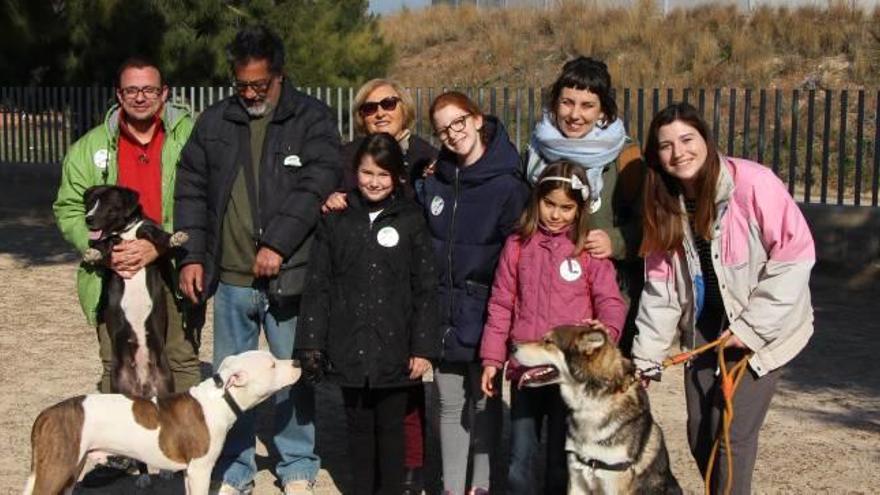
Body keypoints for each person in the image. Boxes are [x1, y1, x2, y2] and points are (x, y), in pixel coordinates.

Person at [174, 26, 341, 495]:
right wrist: (191, 255)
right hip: (229, 278)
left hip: (290, 274)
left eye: (258, 85)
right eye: (241, 84)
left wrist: (279, 245)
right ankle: (236, 469)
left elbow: (319, 180)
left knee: (290, 374)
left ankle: (297, 466)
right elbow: (191, 189)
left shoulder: (312, 118)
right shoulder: (214, 123)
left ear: (279, 76)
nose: (249, 93)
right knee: (232, 379)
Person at [632, 102, 815, 494]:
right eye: (666, 146)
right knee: (701, 431)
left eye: (687, 139)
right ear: (656, 156)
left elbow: (795, 258)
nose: (678, 152)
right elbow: (661, 289)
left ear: (706, 139)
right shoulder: (663, 202)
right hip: (705, 324)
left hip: (764, 325)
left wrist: (750, 329)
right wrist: (646, 358)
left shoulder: (753, 183)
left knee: (732, 437)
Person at [296, 133, 440, 495]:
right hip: (349, 346)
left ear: (397, 178)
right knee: (358, 429)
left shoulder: (411, 220)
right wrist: (312, 343)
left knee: (392, 430)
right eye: (367, 173)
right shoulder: (336, 220)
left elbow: (425, 287)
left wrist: (423, 347)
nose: (374, 182)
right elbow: (319, 285)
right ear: (354, 172)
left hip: (395, 347)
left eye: (383, 175)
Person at [54, 57, 202, 396]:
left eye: (149, 89)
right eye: (131, 90)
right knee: (115, 361)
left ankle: (182, 445)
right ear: (119, 95)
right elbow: (68, 208)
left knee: (179, 358)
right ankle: (121, 443)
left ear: (164, 93)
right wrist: (102, 254)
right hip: (113, 266)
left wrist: (160, 245)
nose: (140, 97)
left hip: (174, 260)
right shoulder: (88, 147)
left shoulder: (191, 138)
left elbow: (207, 199)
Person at [479, 161, 627, 494]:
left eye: (566, 208)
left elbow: (611, 303)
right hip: (526, 372)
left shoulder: (587, 249)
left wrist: (604, 331)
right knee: (521, 457)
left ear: (579, 209)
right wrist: (491, 359)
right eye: (550, 204)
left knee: (563, 459)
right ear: (536, 200)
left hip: (569, 376)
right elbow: (501, 304)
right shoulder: (517, 245)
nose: (556, 215)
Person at [421, 91, 530, 495]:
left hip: (488, 310)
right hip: (444, 310)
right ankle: (452, 487)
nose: (453, 134)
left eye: (459, 122)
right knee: (449, 404)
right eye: (443, 129)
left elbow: (518, 256)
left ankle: (481, 486)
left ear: (477, 118)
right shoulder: (435, 181)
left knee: (484, 405)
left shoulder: (508, 186)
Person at [524, 56, 645, 354]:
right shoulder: (534, 152)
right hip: (545, 296)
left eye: (587, 105)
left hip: (607, 296)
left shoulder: (626, 157)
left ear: (602, 110)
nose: (574, 114)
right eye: (567, 102)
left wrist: (615, 240)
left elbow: (653, 227)